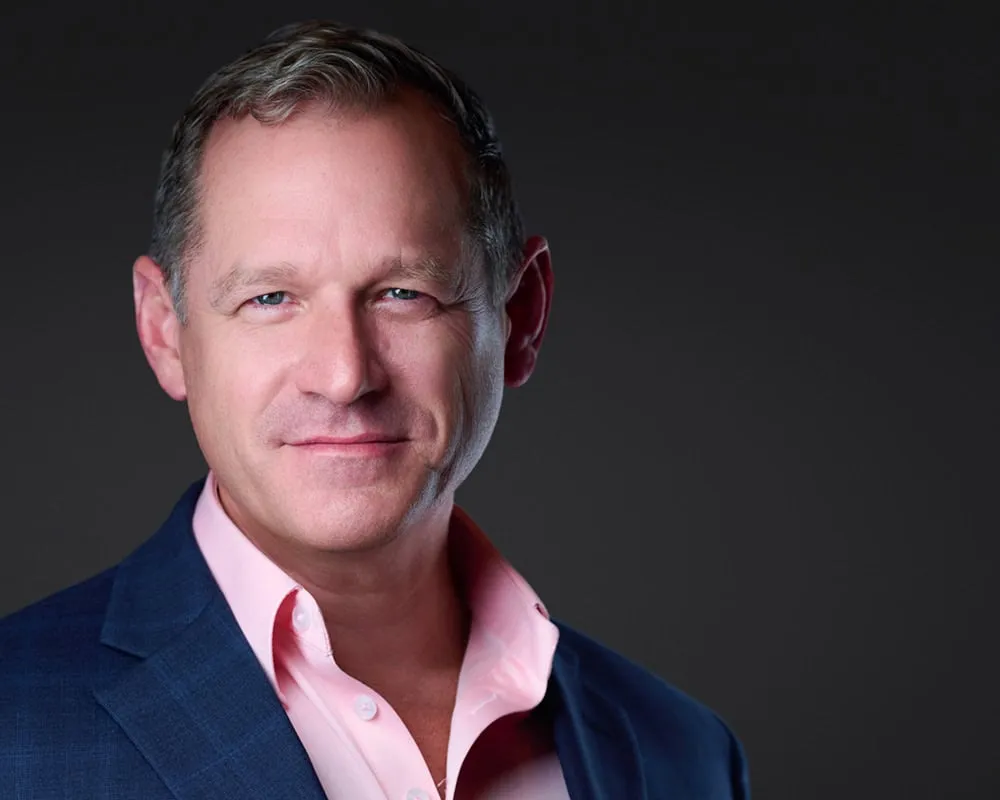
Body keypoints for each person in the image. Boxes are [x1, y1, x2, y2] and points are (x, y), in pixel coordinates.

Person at [0, 20, 749, 800]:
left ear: (521, 316)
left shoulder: (682, 755)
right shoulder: (12, 729)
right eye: (270, 298)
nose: (344, 374)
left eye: (403, 294)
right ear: (165, 332)